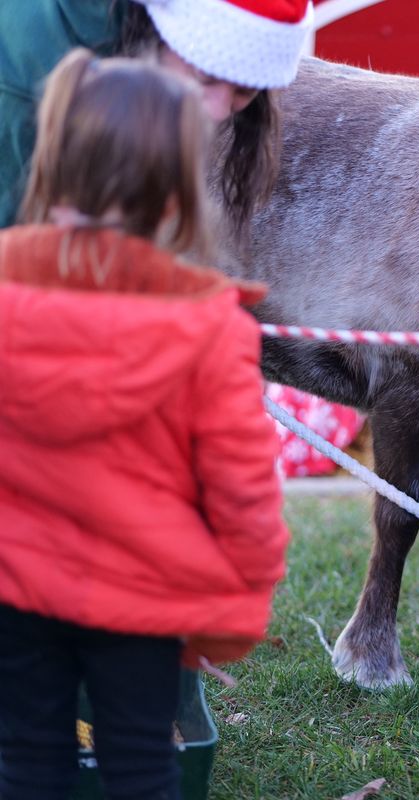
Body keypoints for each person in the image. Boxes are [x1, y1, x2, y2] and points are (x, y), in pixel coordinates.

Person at [0, 51, 290, 800]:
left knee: (26, 764)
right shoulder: (212, 331)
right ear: (175, 197)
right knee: (142, 768)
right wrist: (248, 586)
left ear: (56, 170)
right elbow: (244, 487)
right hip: (143, 604)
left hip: (15, 591)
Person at [0, 0, 315, 229]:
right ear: (164, 29)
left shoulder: (144, 58)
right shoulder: (25, 90)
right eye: (206, 77)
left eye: (245, 91)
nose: (218, 111)